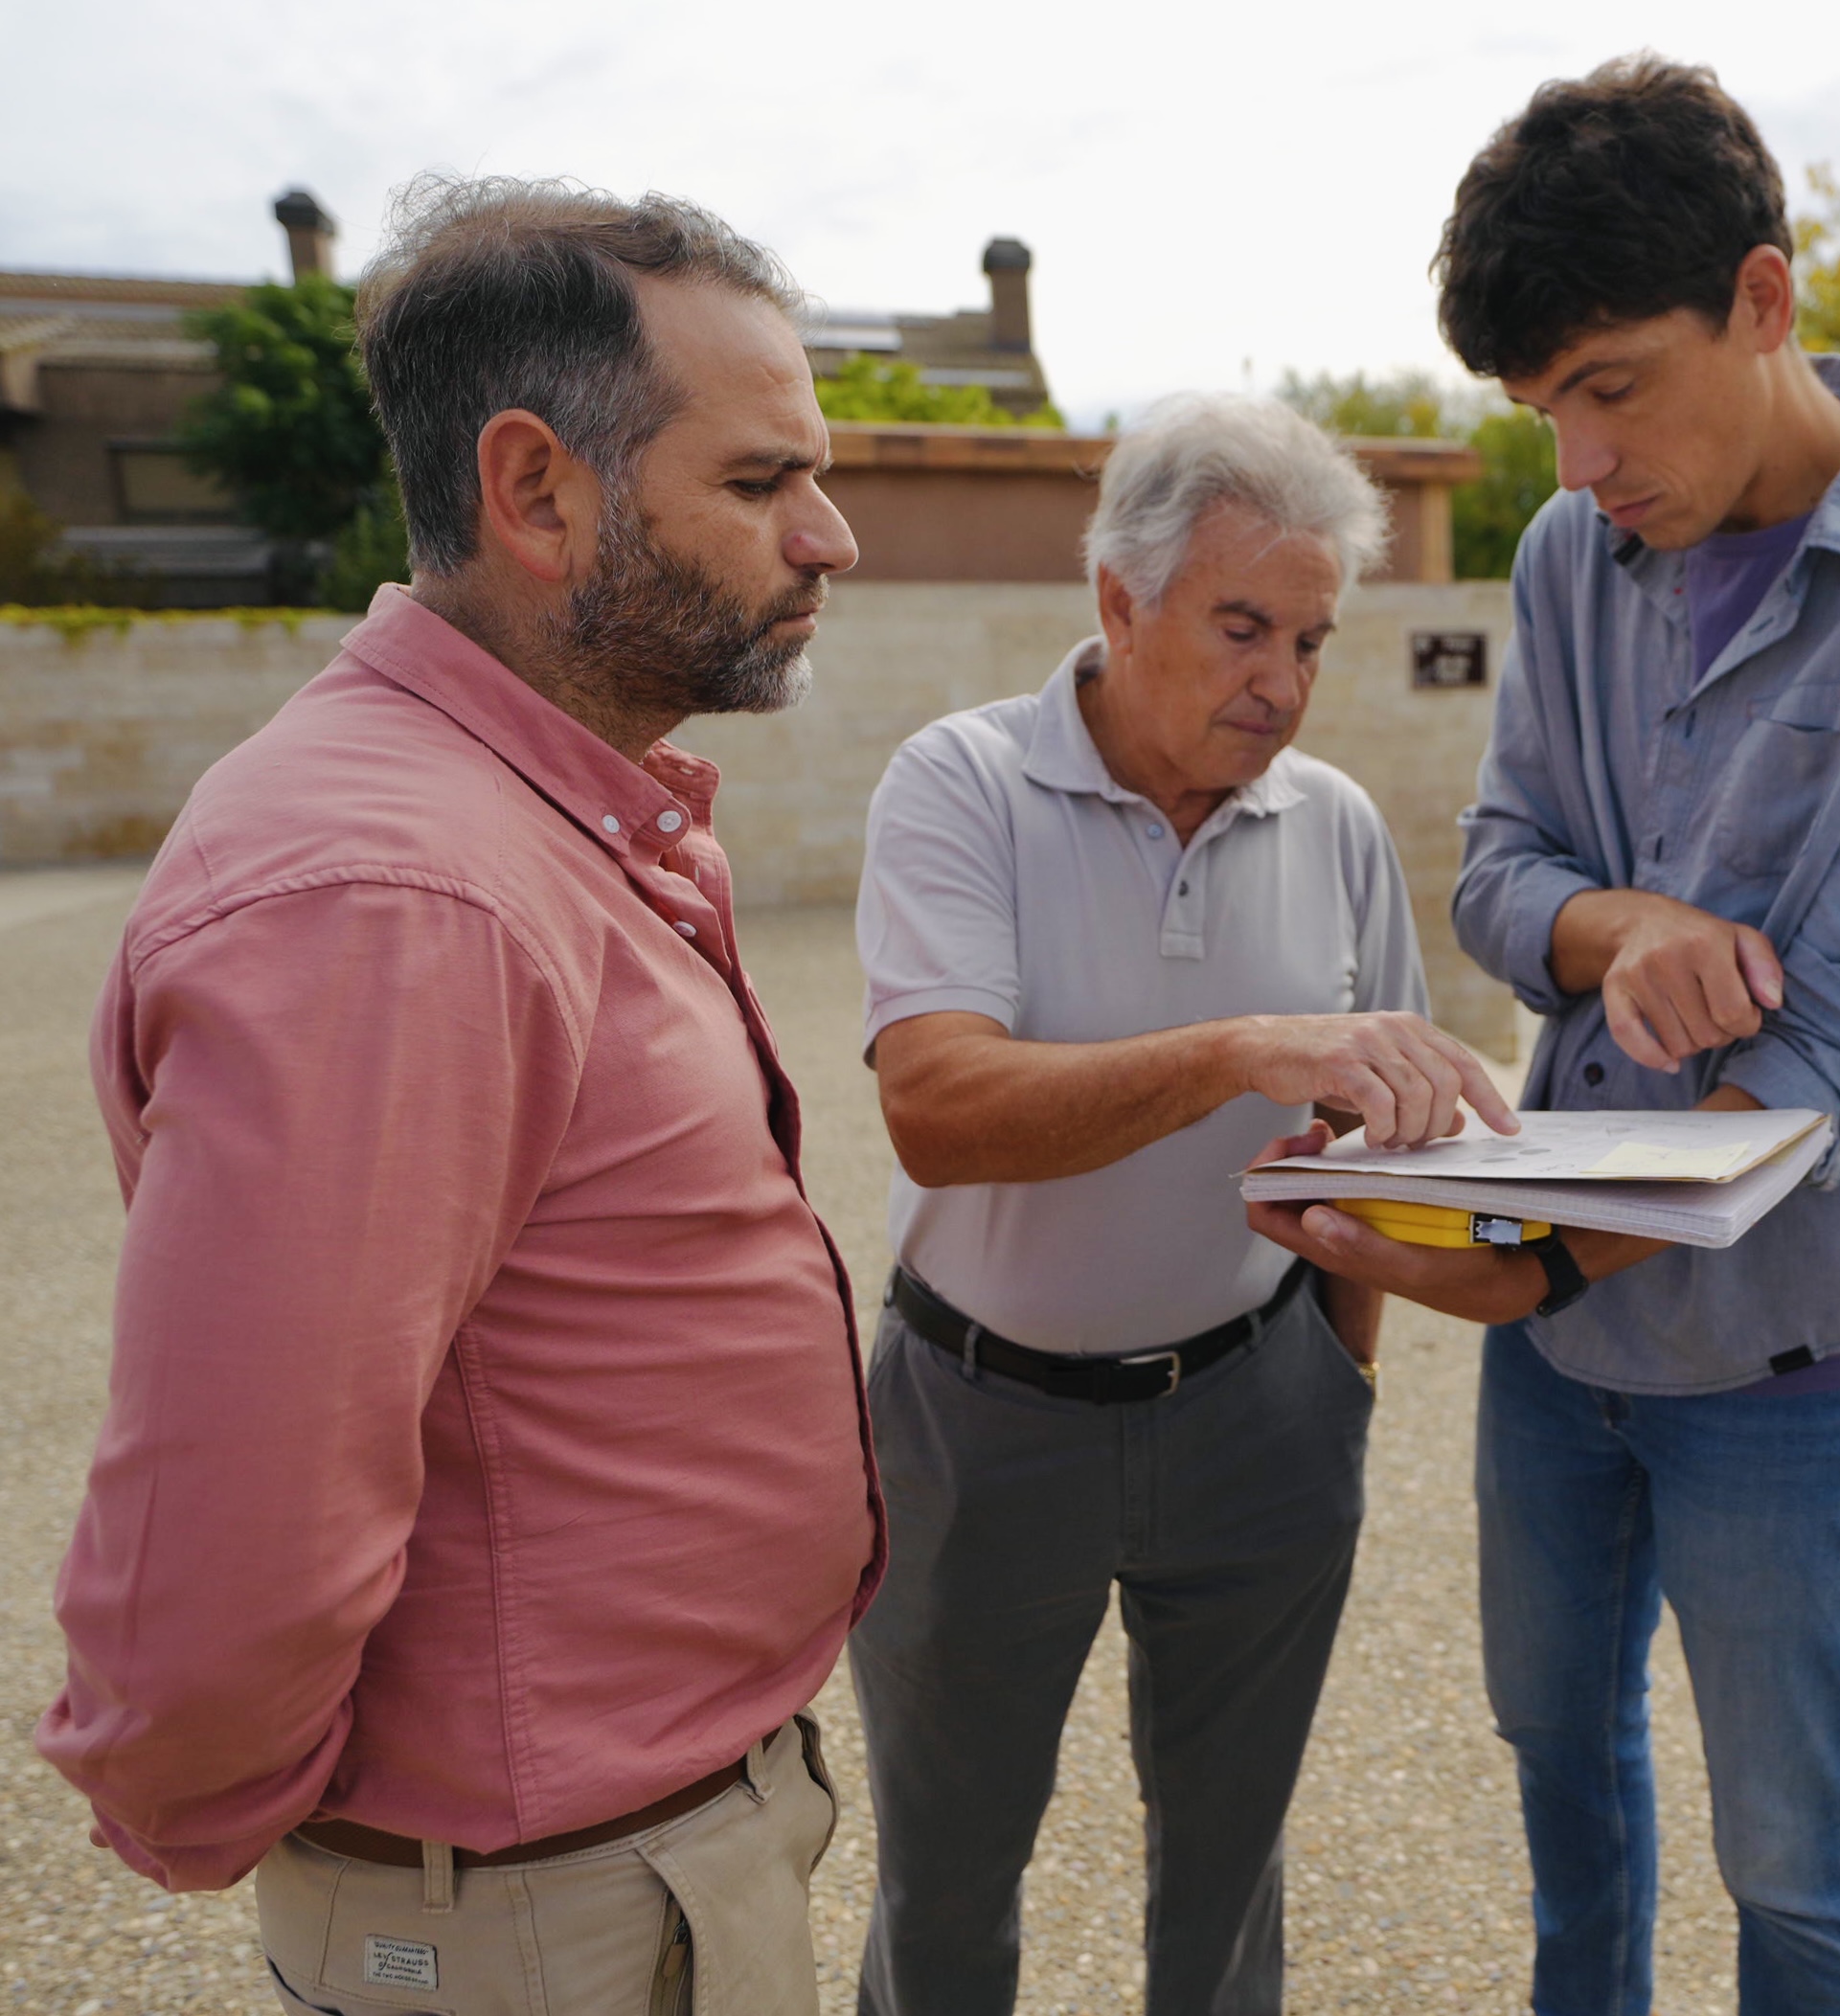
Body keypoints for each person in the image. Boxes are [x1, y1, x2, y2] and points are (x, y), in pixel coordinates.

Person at [1251, 57, 1840, 2015]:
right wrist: (1621, 928)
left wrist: (1517, 1257)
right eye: (1540, 412)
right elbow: (1500, 875)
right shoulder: (1566, 556)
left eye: (1610, 385)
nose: (1579, 461)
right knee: (1558, 1763)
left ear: (1765, 302)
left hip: (1797, 1346)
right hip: (1562, 1346)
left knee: (1792, 1855)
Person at [36, 177, 875, 2012]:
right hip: (532, 1917)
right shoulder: (393, 892)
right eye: (758, 483)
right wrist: (248, 1819)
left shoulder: (525, 815)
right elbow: (237, 1518)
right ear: (537, 491)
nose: (831, 536)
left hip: (613, 1866)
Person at [849, 393, 1511, 2015]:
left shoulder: (1336, 823)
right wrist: (1236, 1049)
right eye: (1240, 626)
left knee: (1226, 1886)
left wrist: (1339, 1380)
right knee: (946, 1883)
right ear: (1117, 599)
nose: (1280, 682)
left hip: (1254, 1418)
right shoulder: (960, 784)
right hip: (975, 1422)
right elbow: (937, 1107)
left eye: (1310, 638)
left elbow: (1382, 1137)